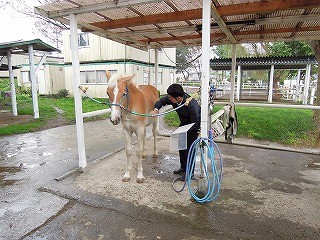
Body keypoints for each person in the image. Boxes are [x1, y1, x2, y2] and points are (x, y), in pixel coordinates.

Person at [150, 84, 200, 176]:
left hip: (194, 126)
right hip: (184, 123)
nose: (169, 98)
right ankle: (183, 168)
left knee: (189, 148)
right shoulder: (172, 98)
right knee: (181, 147)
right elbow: (161, 101)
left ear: (179, 98)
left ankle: (190, 173)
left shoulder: (192, 105)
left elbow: (196, 122)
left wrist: (187, 131)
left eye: (170, 97)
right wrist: (156, 109)